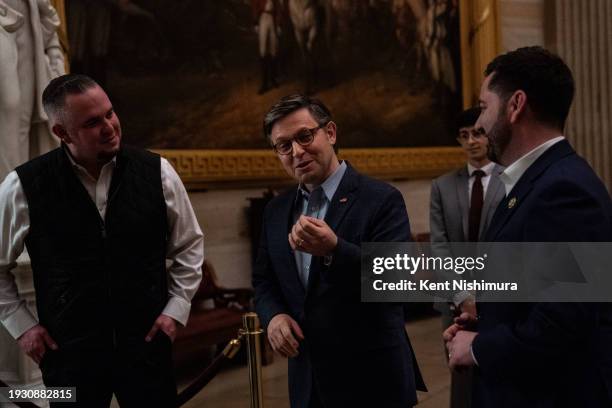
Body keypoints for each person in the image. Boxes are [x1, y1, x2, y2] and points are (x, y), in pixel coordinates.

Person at [0, 74, 204, 407]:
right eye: (93, 122)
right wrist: (22, 327)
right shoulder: (22, 186)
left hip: (147, 346)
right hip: (68, 355)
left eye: (110, 113)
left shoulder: (159, 172)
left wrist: (175, 310)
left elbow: (189, 245)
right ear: (62, 132)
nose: (109, 126)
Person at [444, 46, 612, 407]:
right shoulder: (536, 180)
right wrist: (484, 319)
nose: (480, 124)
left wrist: (477, 349)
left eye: (484, 106)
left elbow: (562, 322)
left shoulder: (563, 190)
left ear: (515, 105)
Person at [253, 94, 426, 408]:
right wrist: (274, 316)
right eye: (284, 145)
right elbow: (264, 281)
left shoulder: (381, 198)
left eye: (305, 136)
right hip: (308, 382)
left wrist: (334, 250)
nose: (297, 152)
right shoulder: (275, 211)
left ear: (330, 132)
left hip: (372, 378)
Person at [430, 106, 505, 408]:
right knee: (461, 375)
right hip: (455, 298)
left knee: (497, 369)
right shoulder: (443, 186)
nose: (472, 141)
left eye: (477, 133)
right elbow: (439, 245)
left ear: (488, 136)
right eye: (464, 135)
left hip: (499, 295)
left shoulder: (510, 180)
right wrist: (463, 294)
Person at [0, 0, 65, 182]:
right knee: (8, 111)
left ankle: (17, 192)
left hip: (27, 29)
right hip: (4, 27)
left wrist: (53, 50)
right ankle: (6, 193)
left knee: (23, 123)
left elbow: (45, 16)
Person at [252, 0, 282, 94]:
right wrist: (255, 22)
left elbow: (278, 7)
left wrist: (279, 24)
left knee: (274, 49)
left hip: (272, 18)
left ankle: (273, 79)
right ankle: (264, 83)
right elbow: (255, 5)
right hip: (263, 17)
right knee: (263, 50)